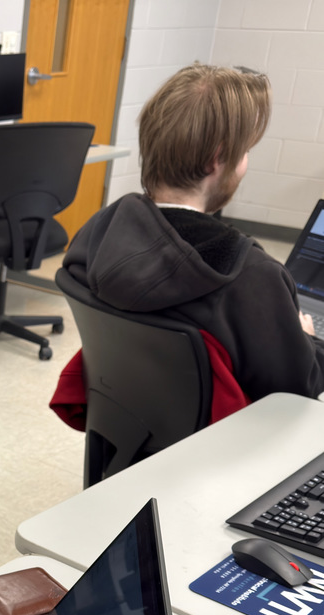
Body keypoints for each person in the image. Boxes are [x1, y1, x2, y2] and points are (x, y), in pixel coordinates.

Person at [56, 62, 324, 418]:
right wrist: (307, 339)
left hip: (124, 431)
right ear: (217, 159)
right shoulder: (251, 276)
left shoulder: (96, 233)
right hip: (217, 446)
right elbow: (299, 390)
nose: (246, 163)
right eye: (245, 151)